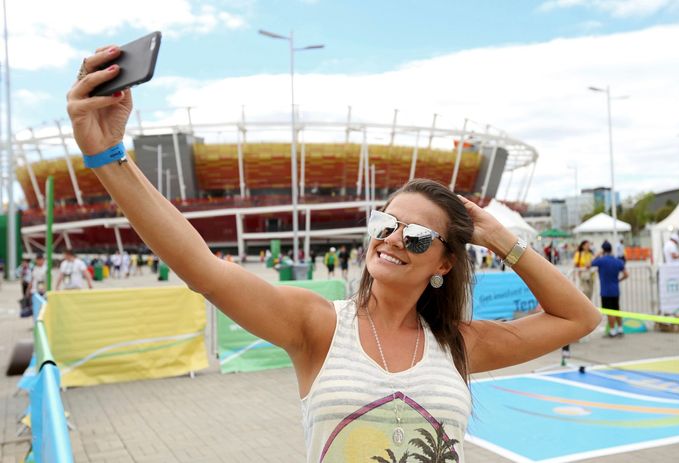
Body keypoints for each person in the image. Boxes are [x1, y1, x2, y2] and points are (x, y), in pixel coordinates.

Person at [66, 49, 600, 462]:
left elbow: (580, 317)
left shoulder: (460, 345)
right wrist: (108, 157)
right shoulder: (317, 326)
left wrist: (497, 235)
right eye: (385, 224)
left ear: (444, 264)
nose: (392, 239)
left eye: (415, 236)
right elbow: (202, 269)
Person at [591, 241, 628, 338]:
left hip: (605, 290)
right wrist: (618, 280)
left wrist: (597, 254)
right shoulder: (617, 261)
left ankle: (612, 331)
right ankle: (620, 328)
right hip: (615, 289)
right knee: (617, 310)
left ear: (603, 250)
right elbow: (626, 274)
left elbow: (588, 264)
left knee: (609, 311)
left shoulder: (601, 260)